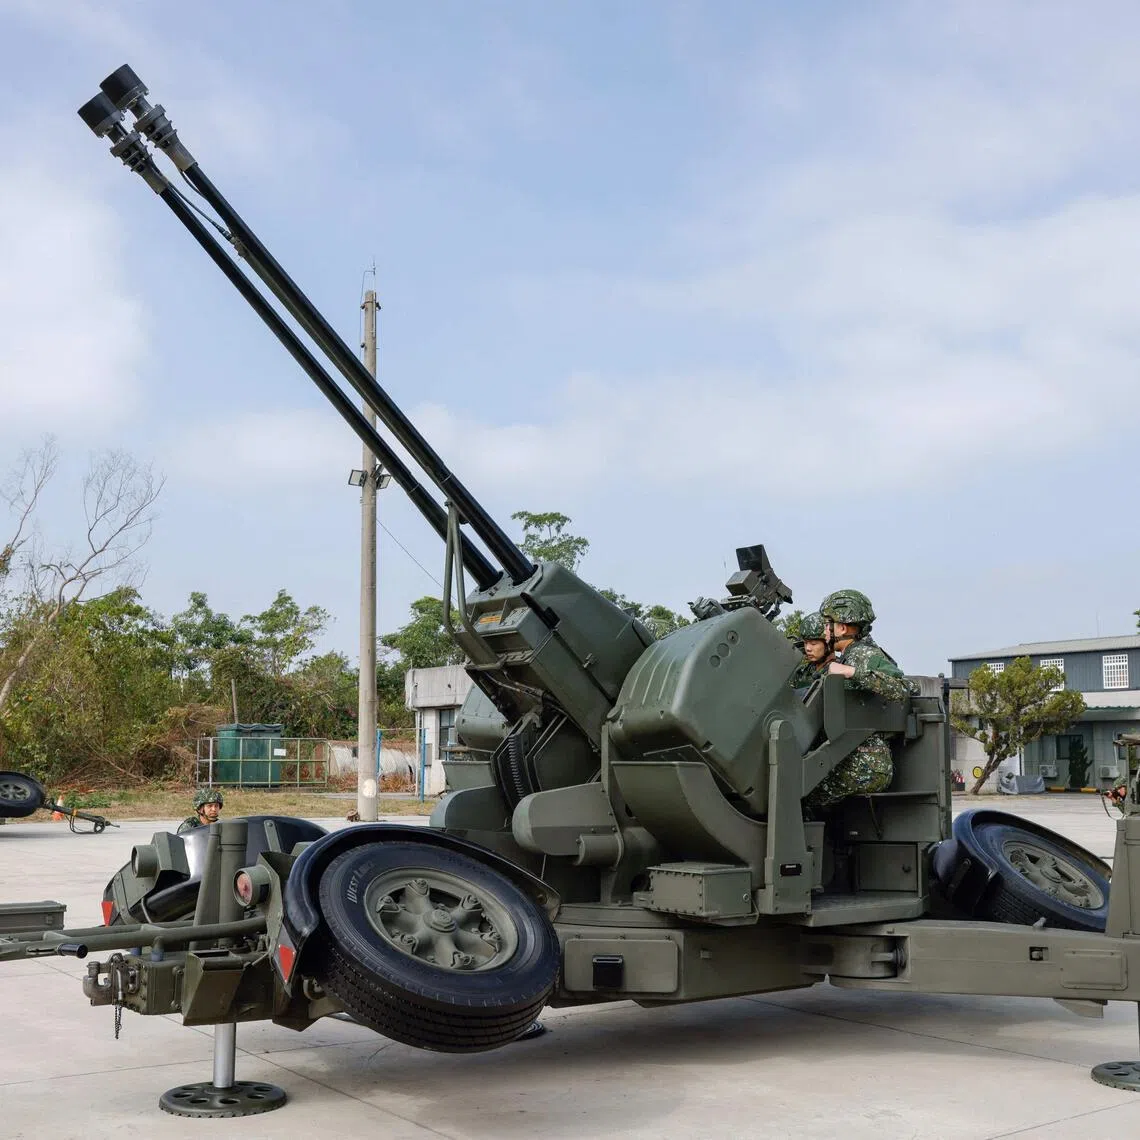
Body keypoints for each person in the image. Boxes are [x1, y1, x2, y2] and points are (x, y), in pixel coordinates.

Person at [803, 588, 912, 811]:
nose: (824, 631)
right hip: (852, 758)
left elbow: (903, 688)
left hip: (865, 763)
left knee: (799, 792)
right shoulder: (853, 654)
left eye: (828, 625)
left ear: (842, 628)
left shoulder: (864, 654)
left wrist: (850, 672)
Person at [790, 612, 833, 688]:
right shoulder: (802, 671)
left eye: (813, 644)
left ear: (828, 645)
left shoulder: (838, 670)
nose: (807, 648)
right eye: (805, 643)